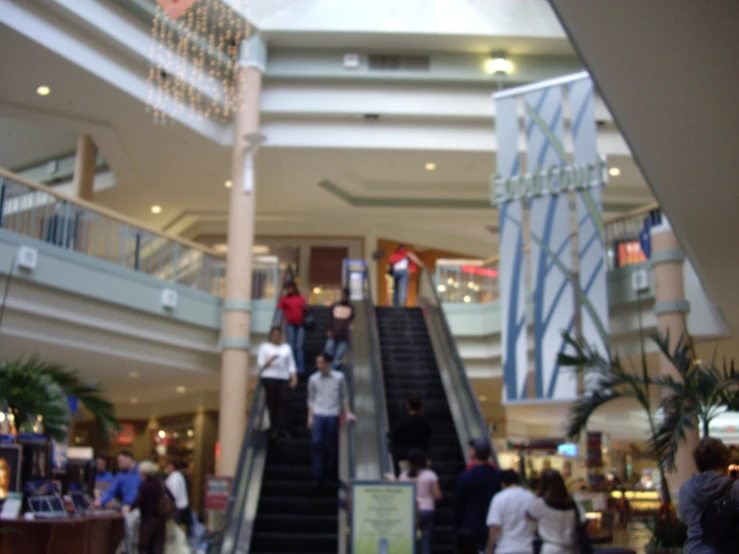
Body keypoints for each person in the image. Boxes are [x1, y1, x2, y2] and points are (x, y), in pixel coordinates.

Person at [679, 437, 739, 553]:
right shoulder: (734, 488)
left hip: (694, 549)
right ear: (724, 459)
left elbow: (685, 518)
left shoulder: (685, 488)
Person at [307, 353, 356, 494]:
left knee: (329, 445)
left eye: (321, 362)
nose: (318, 365)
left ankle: (328, 474)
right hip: (318, 414)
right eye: (317, 362)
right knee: (316, 443)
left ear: (328, 363)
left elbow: (344, 396)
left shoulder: (339, 378)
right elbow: (311, 399)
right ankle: (317, 477)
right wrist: (310, 417)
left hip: (333, 414)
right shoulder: (313, 379)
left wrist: (348, 412)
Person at [454, 440, 502, 553]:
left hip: (471, 523)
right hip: (492, 523)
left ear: (474, 453)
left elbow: (459, 504)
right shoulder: (498, 475)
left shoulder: (466, 476)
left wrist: (457, 527)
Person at [526, 469, 583, 554]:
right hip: (570, 548)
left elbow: (528, 516)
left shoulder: (540, 504)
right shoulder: (572, 503)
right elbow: (582, 520)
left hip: (550, 548)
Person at [257, 326, 298, 440]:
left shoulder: (286, 347)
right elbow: (260, 364)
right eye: (274, 335)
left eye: (278, 335)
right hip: (269, 377)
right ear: (271, 336)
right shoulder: (264, 347)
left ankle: (285, 429)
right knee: (272, 404)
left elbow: (291, 363)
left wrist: (294, 378)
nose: (276, 337)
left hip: (283, 377)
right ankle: (275, 429)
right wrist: (271, 359)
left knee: (284, 403)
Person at [399, 449, 442, 554]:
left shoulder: (404, 476)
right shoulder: (430, 475)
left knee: (411, 542)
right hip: (427, 510)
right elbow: (438, 496)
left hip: (410, 512)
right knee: (425, 542)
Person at [485, 469, 535, 554]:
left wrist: (489, 548)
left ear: (503, 483)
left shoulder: (499, 498)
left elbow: (495, 526)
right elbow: (534, 523)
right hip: (526, 548)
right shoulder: (531, 497)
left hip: (505, 548)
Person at [132, 460, 169, 554]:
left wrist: (129, 508)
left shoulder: (144, 485)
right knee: (158, 546)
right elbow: (171, 497)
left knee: (144, 545)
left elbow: (140, 500)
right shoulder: (161, 483)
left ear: (144, 473)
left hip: (148, 519)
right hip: (161, 519)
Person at [389, 395, 432, 475]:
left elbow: (393, 435)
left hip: (405, 455)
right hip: (422, 455)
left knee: (407, 479)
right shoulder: (425, 421)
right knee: (423, 478)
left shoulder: (402, 421)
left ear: (408, 405)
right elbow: (429, 435)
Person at [277, 281, 307, 374]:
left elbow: (306, 309)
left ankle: (300, 367)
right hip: (290, 324)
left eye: (291, 287)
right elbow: (279, 311)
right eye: (288, 288)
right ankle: (291, 366)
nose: (289, 289)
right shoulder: (284, 299)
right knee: (291, 346)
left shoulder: (301, 298)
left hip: (300, 325)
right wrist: (277, 323)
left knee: (299, 346)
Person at [325, 287, 355, 371]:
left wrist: (349, 330)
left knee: (338, 357)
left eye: (344, 295)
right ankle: (328, 368)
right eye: (342, 295)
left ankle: (333, 372)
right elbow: (330, 318)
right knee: (328, 352)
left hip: (344, 336)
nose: (342, 297)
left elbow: (351, 321)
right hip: (333, 334)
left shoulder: (351, 308)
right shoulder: (334, 306)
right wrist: (328, 329)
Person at [165, 460, 192, 536]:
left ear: (172, 466)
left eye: (168, 466)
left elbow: (173, 493)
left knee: (176, 530)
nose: (166, 468)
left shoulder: (175, 477)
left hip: (177, 507)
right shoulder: (177, 476)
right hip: (181, 506)